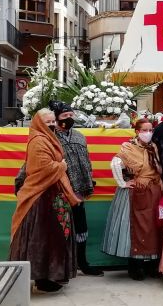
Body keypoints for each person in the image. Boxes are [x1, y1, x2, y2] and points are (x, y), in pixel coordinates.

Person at [9, 108, 80, 293]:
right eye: (47, 122)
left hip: (52, 195)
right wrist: (61, 166)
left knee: (54, 238)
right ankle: (43, 278)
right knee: (43, 239)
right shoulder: (39, 141)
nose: (51, 125)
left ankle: (51, 276)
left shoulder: (47, 138)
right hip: (41, 197)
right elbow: (43, 167)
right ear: (39, 123)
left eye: (52, 121)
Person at [102, 118, 163, 280]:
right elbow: (115, 163)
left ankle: (152, 265)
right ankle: (136, 266)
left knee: (152, 228)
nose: (148, 133)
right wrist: (122, 183)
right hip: (137, 193)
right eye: (145, 130)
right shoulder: (128, 147)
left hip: (154, 191)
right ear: (137, 131)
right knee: (137, 228)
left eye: (151, 130)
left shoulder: (153, 147)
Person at [49, 101, 103, 277]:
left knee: (81, 228)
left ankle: (82, 262)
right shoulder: (50, 138)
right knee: (60, 229)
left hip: (79, 190)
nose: (69, 118)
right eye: (65, 116)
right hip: (59, 192)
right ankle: (61, 265)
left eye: (71, 115)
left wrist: (89, 182)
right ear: (56, 118)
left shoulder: (80, 136)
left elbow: (86, 161)